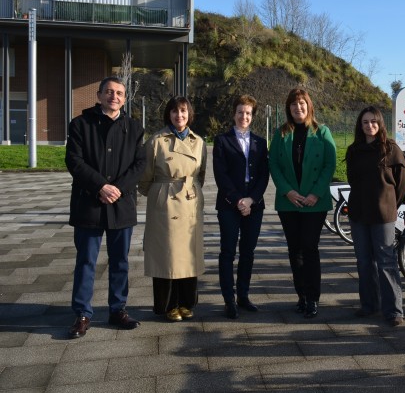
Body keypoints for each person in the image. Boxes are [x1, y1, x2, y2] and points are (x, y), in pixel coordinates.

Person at [65, 76, 146, 339]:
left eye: (120, 93)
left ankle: (117, 309)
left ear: (125, 98)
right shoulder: (80, 124)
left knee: (120, 261)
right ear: (99, 95)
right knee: (86, 261)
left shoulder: (134, 128)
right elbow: (74, 161)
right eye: (109, 92)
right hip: (88, 204)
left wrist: (117, 188)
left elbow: (139, 165)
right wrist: (100, 186)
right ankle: (82, 313)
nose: (114, 97)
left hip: (121, 205)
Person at [269, 88, 336, 319]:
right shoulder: (281, 134)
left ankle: (313, 298)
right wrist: (288, 192)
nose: (298, 108)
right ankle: (302, 296)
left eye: (302, 104)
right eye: (294, 105)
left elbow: (329, 164)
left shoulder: (322, 132)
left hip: (314, 203)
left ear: (309, 106)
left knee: (309, 247)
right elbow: (274, 165)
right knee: (294, 250)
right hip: (289, 202)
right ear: (289, 108)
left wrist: (315, 194)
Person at [138, 96, 207, 322]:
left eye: (184, 112)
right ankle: (168, 305)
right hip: (165, 202)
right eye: (175, 111)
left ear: (190, 115)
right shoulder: (157, 141)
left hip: (190, 199)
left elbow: (201, 174)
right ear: (168, 114)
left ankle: (187, 303)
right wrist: (160, 194)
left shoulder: (199, 142)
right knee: (166, 255)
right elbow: (145, 177)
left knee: (189, 253)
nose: (180, 116)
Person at [345, 106, 405, 326]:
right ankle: (369, 305)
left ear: (380, 123)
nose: (369, 125)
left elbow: (401, 185)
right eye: (365, 122)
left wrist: (390, 205)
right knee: (364, 261)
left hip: (383, 215)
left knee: (386, 261)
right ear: (359, 125)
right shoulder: (354, 150)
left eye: (373, 121)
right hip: (359, 213)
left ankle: (393, 311)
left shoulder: (391, 149)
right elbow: (353, 179)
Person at [213, 94, 269, 319]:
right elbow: (220, 174)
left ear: (252, 116)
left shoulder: (260, 142)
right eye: (240, 112)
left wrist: (251, 200)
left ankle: (243, 296)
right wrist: (238, 200)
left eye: (248, 113)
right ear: (234, 114)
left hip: (254, 205)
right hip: (229, 204)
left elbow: (264, 175)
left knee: (248, 252)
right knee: (228, 252)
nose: (243, 116)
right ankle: (229, 299)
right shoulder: (222, 140)